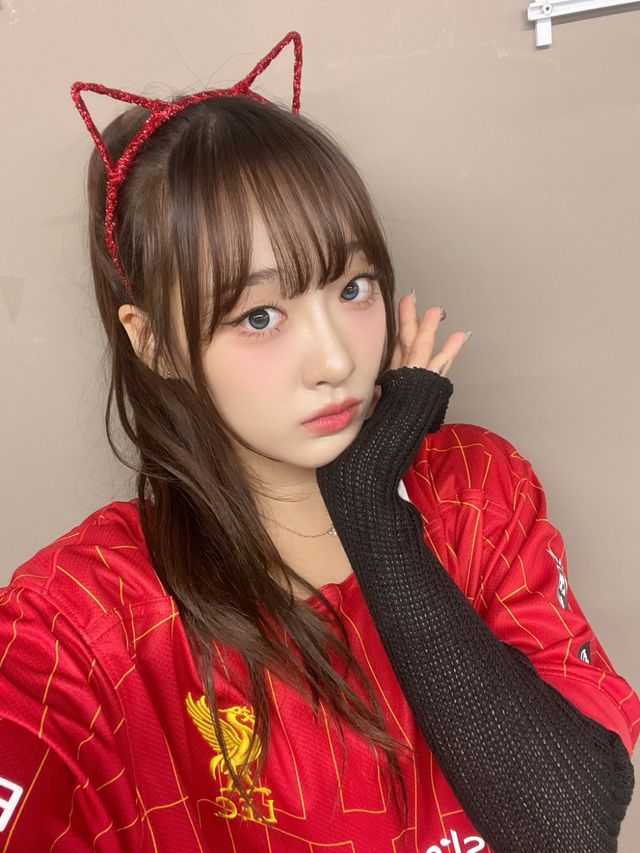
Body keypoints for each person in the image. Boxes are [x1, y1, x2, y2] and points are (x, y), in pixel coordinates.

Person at [0, 30, 637, 852]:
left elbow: (570, 827)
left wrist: (371, 511)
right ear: (154, 342)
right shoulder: (81, 619)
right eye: (259, 315)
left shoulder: (477, 490)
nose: (337, 360)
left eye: (353, 286)